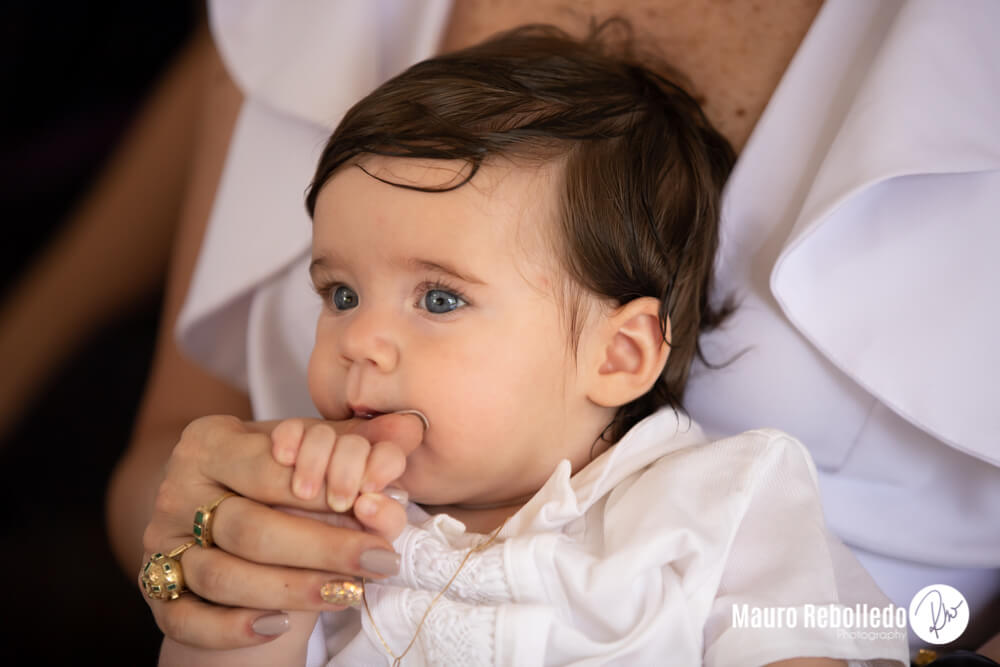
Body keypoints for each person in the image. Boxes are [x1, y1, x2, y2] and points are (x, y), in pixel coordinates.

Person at [110, 0, 1000, 662]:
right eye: (339, 294)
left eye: (440, 299)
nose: (359, 342)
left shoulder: (719, 510)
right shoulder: (338, 530)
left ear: (620, 354)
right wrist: (234, 569)